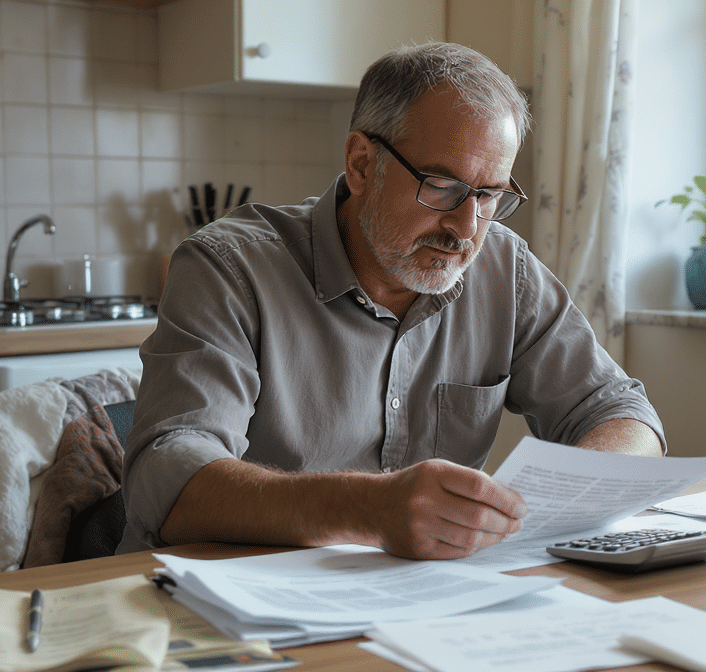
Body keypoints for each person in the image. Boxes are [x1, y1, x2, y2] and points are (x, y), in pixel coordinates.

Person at [119, 42, 665, 561]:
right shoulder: (229, 268)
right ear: (361, 163)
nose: (466, 228)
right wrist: (365, 509)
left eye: (489, 195)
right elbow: (167, 479)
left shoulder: (506, 269)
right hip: (218, 598)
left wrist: (560, 498)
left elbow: (622, 413)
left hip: (416, 598)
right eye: (442, 186)